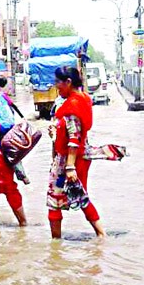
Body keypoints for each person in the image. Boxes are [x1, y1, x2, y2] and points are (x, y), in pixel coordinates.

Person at [47, 66, 105, 239]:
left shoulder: (72, 106)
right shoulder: (81, 100)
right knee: (80, 196)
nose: (56, 86)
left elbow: (74, 137)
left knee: (54, 201)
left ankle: (55, 246)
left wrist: (70, 167)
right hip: (78, 157)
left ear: (68, 82)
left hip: (70, 160)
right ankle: (101, 236)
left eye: (58, 82)